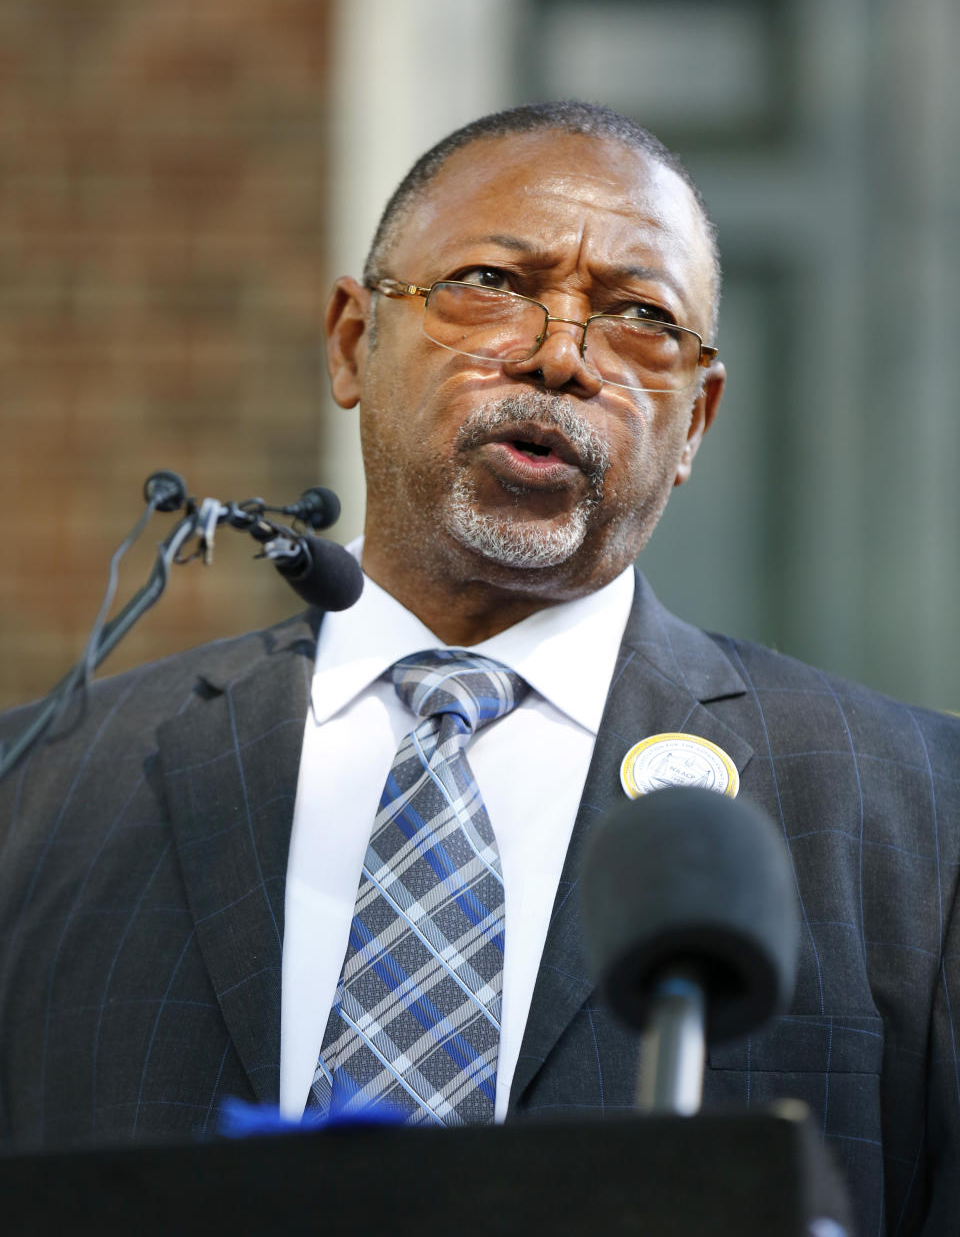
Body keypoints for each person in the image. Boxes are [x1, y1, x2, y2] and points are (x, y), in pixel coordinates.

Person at [1, 101, 958, 1235]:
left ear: (696, 420)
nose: (562, 355)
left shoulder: (920, 816)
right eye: (495, 284)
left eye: (641, 316)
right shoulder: (44, 784)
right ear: (354, 343)